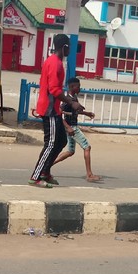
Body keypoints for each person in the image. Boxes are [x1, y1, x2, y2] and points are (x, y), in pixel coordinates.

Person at [29, 34, 83, 188]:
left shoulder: (55, 62)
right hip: (49, 109)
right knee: (51, 143)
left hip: (54, 109)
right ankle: (36, 176)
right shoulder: (55, 64)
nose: (70, 50)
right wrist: (71, 103)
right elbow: (54, 90)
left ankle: (45, 171)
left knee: (62, 140)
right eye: (69, 47)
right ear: (64, 47)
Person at [53, 77, 102, 182]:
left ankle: (47, 166)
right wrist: (68, 127)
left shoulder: (73, 98)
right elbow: (59, 113)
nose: (80, 88)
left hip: (71, 127)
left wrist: (86, 113)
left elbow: (74, 111)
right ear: (72, 87)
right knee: (87, 147)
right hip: (72, 128)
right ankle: (89, 174)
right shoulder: (67, 100)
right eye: (78, 86)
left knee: (70, 151)